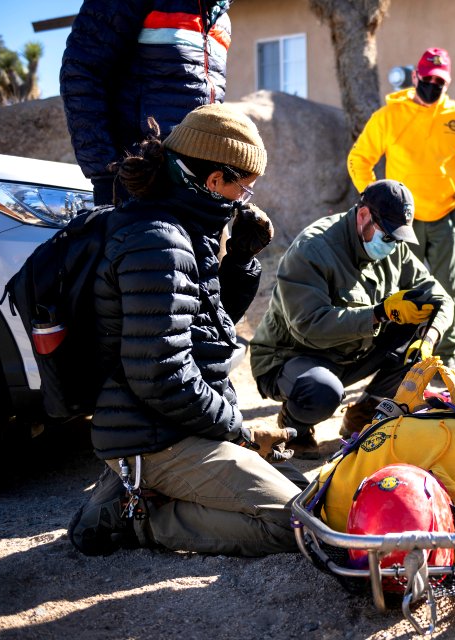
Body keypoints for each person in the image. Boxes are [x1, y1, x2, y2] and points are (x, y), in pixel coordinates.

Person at [68, 104, 304, 558]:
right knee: (300, 522)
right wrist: (240, 431)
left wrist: (238, 260)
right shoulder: (157, 240)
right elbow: (162, 375)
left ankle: (136, 490)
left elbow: (207, 328)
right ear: (214, 181)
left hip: (175, 424)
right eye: (245, 187)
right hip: (157, 436)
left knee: (309, 492)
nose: (245, 199)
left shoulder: (184, 226)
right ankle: (140, 519)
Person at [249, 180, 455, 459]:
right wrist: (380, 313)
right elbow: (308, 326)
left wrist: (428, 341)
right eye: (388, 236)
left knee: (418, 344)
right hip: (292, 357)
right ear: (363, 216)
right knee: (323, 392)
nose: (393, 246)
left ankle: (368, 410)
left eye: (398, 238)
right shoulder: (312, 249)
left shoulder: (394, 244)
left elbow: (440, 298)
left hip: (349, 354)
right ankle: (295, 424)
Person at [347, 48, 455, 379]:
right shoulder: (390, 116)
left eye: (438, 81)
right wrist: (374, 202)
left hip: (447, 218)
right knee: (399, 290)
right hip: (401, 224)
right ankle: (398, 357)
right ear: (415, 77)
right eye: (426, 79)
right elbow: (360, 158)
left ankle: (445, 357)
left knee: (447, 290)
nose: (431, 85)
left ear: (448, 82)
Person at [60, 0, 233, 205]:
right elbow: (81, 72)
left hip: (197, 182)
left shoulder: (221, 17)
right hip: (138, 180)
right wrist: (107, 170)